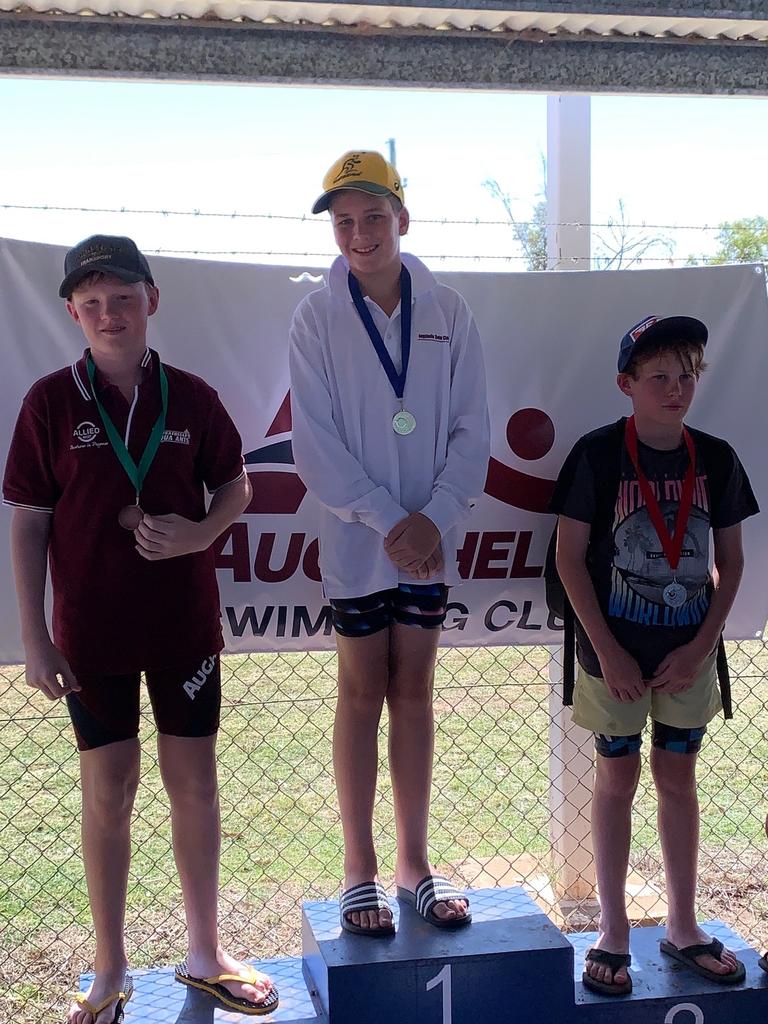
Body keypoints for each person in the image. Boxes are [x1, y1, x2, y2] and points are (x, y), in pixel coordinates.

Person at [4, 235, 278, 1022]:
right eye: (91, 303)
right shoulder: (50, 401)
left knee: (194, 784)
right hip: (90, 633)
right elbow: (28, 523)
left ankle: (204, 951)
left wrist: (200, 534)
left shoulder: (190, 395)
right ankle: (110, 966)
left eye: (122, 298)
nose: (108, 314)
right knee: (109, 793)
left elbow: (238, 486)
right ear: (71, 313)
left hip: (183, 626)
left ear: (151, 301)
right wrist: (35, 636)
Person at [289, 151, 489, 935]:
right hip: (356, 544)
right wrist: (387, 521)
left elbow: (473, 425)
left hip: (430, 542)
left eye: (373, 217)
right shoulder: (315, 314)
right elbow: (314, 442)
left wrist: (434, 517)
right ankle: (359, 872)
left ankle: (414, 866)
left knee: (413, 693)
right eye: (344, 222)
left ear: (402, 219)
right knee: (359, 693)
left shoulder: (450, 310)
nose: (359, 234)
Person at [550, 314, 758, 996]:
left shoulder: (718, 457)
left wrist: (702, 646)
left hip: (688, 656)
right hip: (613, 654)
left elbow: (730, 561)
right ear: (626, 384)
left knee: (678, 778)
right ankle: (612, 929)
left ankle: (683, 924)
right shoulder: (598, 454)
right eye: (659, 377)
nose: (676, 389)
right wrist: (605, 649)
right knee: (616, 780)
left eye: (687, 376)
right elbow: (569, 559)